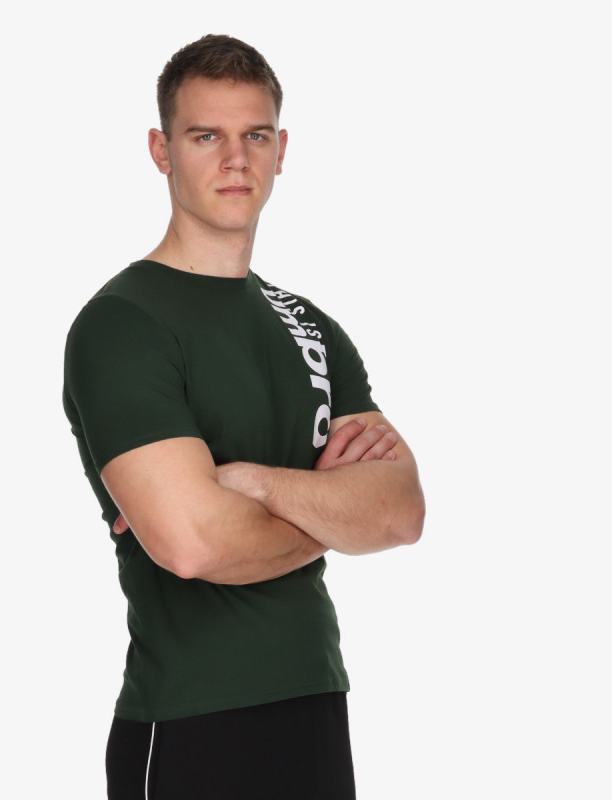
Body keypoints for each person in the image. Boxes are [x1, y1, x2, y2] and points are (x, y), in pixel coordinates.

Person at [63, 33, 425, 800]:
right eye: (206, 137)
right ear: (161, 150)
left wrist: (253, 482)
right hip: (191, 722)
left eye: (255, 136)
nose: (236, 159)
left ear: (281, 150)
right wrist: (334, 513)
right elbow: (193, 543)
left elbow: (399, 511)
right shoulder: (123, 324)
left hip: (316, 703)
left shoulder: (310, 327)